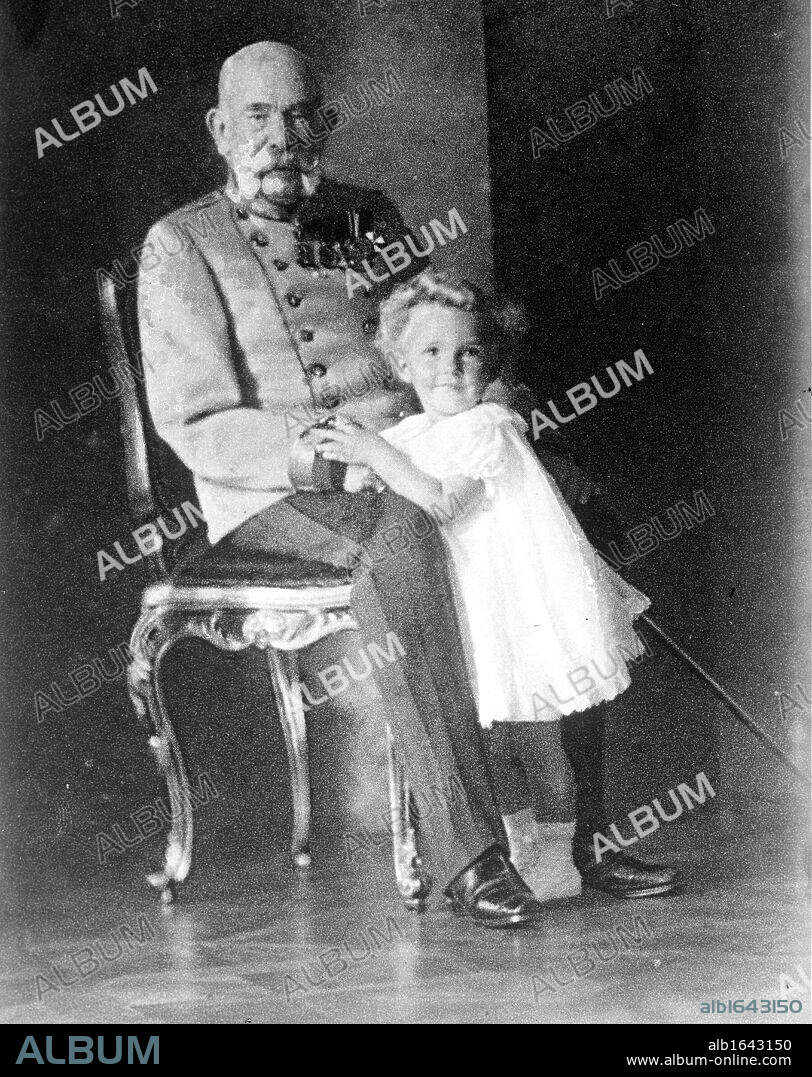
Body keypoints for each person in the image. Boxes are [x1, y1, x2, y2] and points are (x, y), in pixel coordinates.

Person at [138, 40, 676, 923]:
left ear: (326, 123)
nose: (283, 137)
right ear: (220, 129)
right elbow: (197, 421)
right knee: (408, 535)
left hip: (414, 454)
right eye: (261, 118)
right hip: (277, 492)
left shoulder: (369, 214)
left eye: (303, 115)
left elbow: (436, 327)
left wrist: (502, 417)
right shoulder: (179, 244)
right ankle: (473, 852)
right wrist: (333, 458)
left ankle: (583, 836)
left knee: (555, 517)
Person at [313, 269, 682, 897]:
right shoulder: (410, 434)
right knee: (494, 729)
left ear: (489, 366)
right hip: (461, 597)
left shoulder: (490, 425)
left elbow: (443, 501)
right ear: (400, 364)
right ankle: (517, 853)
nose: (449, 369)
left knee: (542, 726)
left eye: (468, 352)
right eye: (430, 352)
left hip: (511, 598)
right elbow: (368, 479)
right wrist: (353, 458)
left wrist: (376, 456)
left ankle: (570, 855)